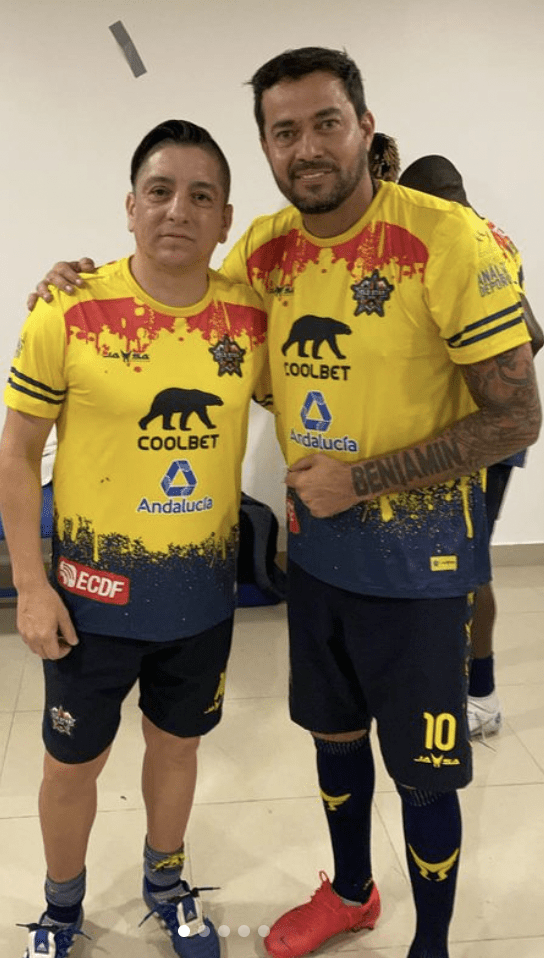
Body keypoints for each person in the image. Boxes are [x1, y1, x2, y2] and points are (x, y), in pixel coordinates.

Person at [24, 47, 541, 958]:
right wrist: (74, 284)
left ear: (365, 128)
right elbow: (179, 294)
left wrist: (364, 479)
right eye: (284, 130)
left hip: (419, 572)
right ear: (265, 145)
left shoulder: (447, 238)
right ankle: (350, 893)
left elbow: (518, 416)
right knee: (332, 739)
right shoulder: (265, 251)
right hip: (317, 562)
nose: (307, 147)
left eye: (325, 123)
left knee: (423, 773)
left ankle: (431, 944)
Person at [0, 119, 268, 958]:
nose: (177, 210)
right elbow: (16, 451)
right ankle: (61, 908)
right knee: (70, 766)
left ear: (225, 219)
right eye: (160, 191)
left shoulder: (252, 318)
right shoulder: (69, 309)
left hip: (200, 599)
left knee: (177, 748)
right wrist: (31, 586)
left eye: (200, 195)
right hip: (90, 601)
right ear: (130, 206)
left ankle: (165, 882)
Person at [398, 154, 544, 737]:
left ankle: (480, 694)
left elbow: (531, 332)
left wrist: (477, 391)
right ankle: (456, 682)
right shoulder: (495, 236)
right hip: (478, 434)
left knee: (467, 566)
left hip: (482, 436)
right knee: (456, 563)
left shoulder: (465, 240)